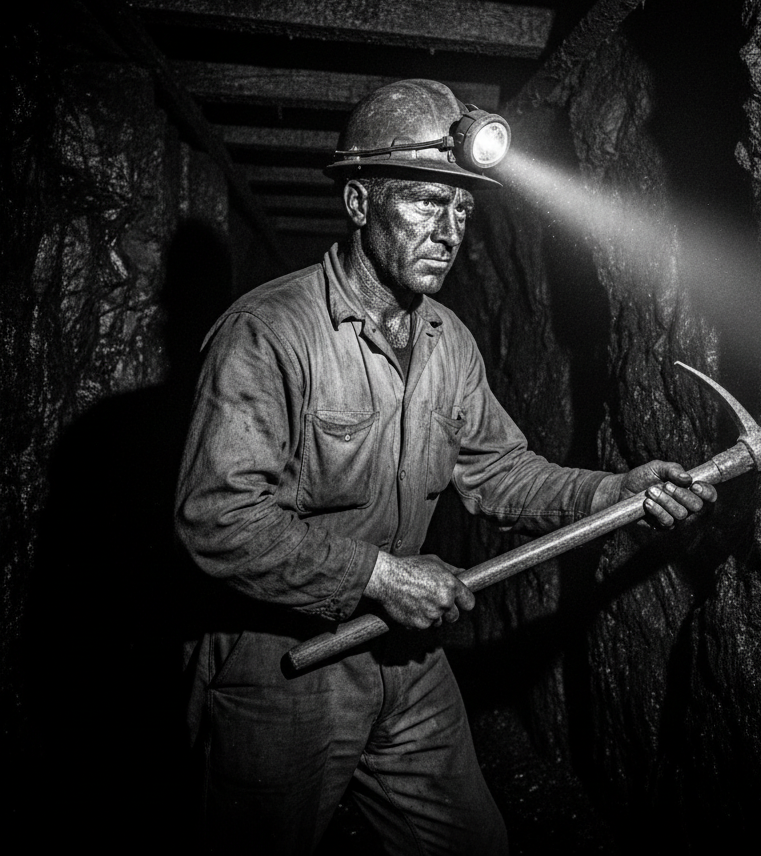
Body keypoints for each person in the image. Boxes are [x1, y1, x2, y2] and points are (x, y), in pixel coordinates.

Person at [175, 79, 717, 855]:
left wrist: (613, 490)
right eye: (428, 203)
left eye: (463, 209)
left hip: (407, 657)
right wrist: (380, 578)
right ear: (360, 203)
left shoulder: (448, 341)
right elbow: (216, 520)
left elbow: (501, 473)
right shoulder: (268, 334)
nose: (450, 230)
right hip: (282, 668)